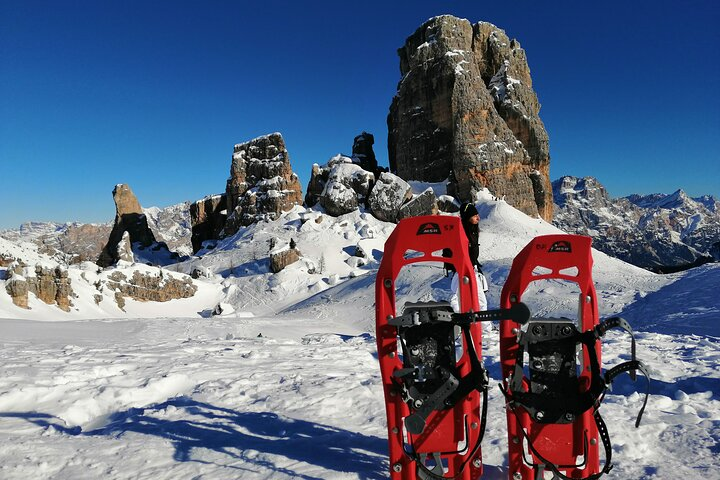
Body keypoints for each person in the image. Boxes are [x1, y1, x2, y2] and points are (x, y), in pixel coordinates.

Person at [449, 202, 488, 312]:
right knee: (456, 297)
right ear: (468, 217)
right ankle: (457, 318)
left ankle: (484, 329)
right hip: (462, 269)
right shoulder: (461, 232)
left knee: (481, 302)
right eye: (475, 216)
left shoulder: (473, 231)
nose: (478, 218)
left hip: (472, 268)